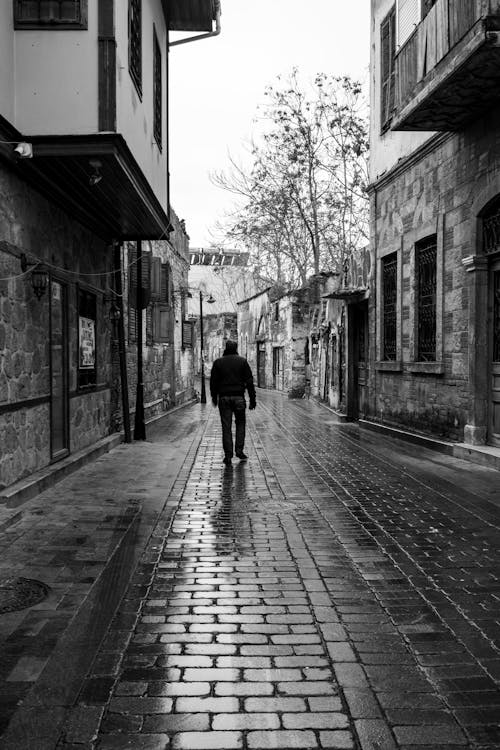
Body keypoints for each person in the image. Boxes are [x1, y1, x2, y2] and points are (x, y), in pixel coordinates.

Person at [209, 340, 256, 466]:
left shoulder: (218, 362)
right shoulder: (242, 361)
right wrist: (252, 399)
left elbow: (213, 382)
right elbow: (250, 381)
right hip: (239, 398)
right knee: (240, 424)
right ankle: (239, 451)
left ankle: (228, 455)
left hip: (224, 399)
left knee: (226, 427)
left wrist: (214, 397)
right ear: (236, 348)